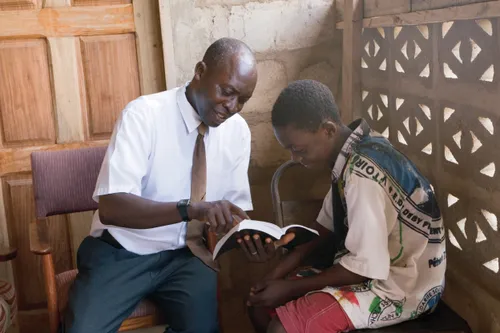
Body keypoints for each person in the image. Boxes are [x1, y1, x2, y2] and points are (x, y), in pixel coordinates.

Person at [63, 38, 260, 333]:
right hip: (122, 251)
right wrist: (190, 210)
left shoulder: (237, 132)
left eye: (242, 99)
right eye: (227, 91)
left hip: (186, 256)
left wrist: (250, 238)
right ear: (200, 71)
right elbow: (112, 207)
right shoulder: (144, 115)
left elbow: (232, 212)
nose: (232, 106)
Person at [246, 80, 446, 333]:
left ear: (328, 130)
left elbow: (363, 269)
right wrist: (277, 272)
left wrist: (289, 288)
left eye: (298, 149)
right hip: (373, 271)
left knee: (281, 328)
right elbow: (323, 227)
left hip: (402, 287)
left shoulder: (362, 176)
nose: (294, 159)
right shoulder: (354, 152)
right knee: (258, 305)